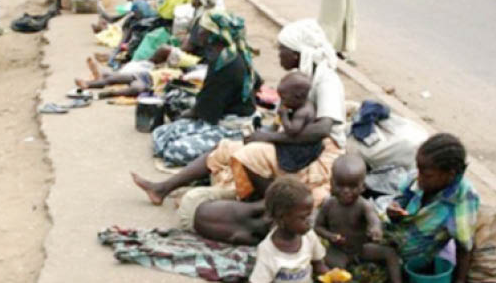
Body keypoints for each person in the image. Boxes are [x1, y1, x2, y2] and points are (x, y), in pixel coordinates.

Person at [131, 19, 345, 205]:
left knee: (248, 155)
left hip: (320, 152)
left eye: (282, 49)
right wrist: (267, 134)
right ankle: (162, 189)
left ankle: (265, 207)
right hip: (296, 142)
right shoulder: (301, 76)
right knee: (225, 148)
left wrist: (270, 137)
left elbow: (323, 129)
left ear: (297, 54)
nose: (278, 53)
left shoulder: (326, 80)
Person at [147, 8, 258, 169]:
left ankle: (223, 155)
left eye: (202, 30)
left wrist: (187, 115)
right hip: (219, 118)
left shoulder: (227, 64)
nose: (198, 33)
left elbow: (207, 112)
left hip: (232, 128)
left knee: (174, 149)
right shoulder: (225, 56)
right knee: (161, 133)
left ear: (213, 35)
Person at [249, 177, 354, 283]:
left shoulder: (309, 236)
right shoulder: (268, 250)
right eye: (303, 218)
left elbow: (319, 266)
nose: (310, 222)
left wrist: (332, 279)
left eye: (310, 216)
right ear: (282, 217)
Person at [315, 154, 425, 283]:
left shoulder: (363, 205)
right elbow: (318, 227)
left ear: (363, 187)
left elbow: (374, 220)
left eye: (353, 187)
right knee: (334, 269)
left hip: (361, 247)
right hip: (338, 250)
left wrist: (375, 230)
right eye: (340, 185)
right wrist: (330, 236)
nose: (346, 191)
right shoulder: (329, 205)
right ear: (332, 183)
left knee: (390, 254)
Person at [385, 133, 480, 283]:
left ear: (449, 174)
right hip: (392, 236)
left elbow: (465, 245)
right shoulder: (421, 178)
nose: (419, 178)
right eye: (419, 170)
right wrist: (394, 209)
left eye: (426, 175)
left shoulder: (462, 199)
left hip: (413, 254)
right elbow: (402, 197)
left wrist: (460, 282)